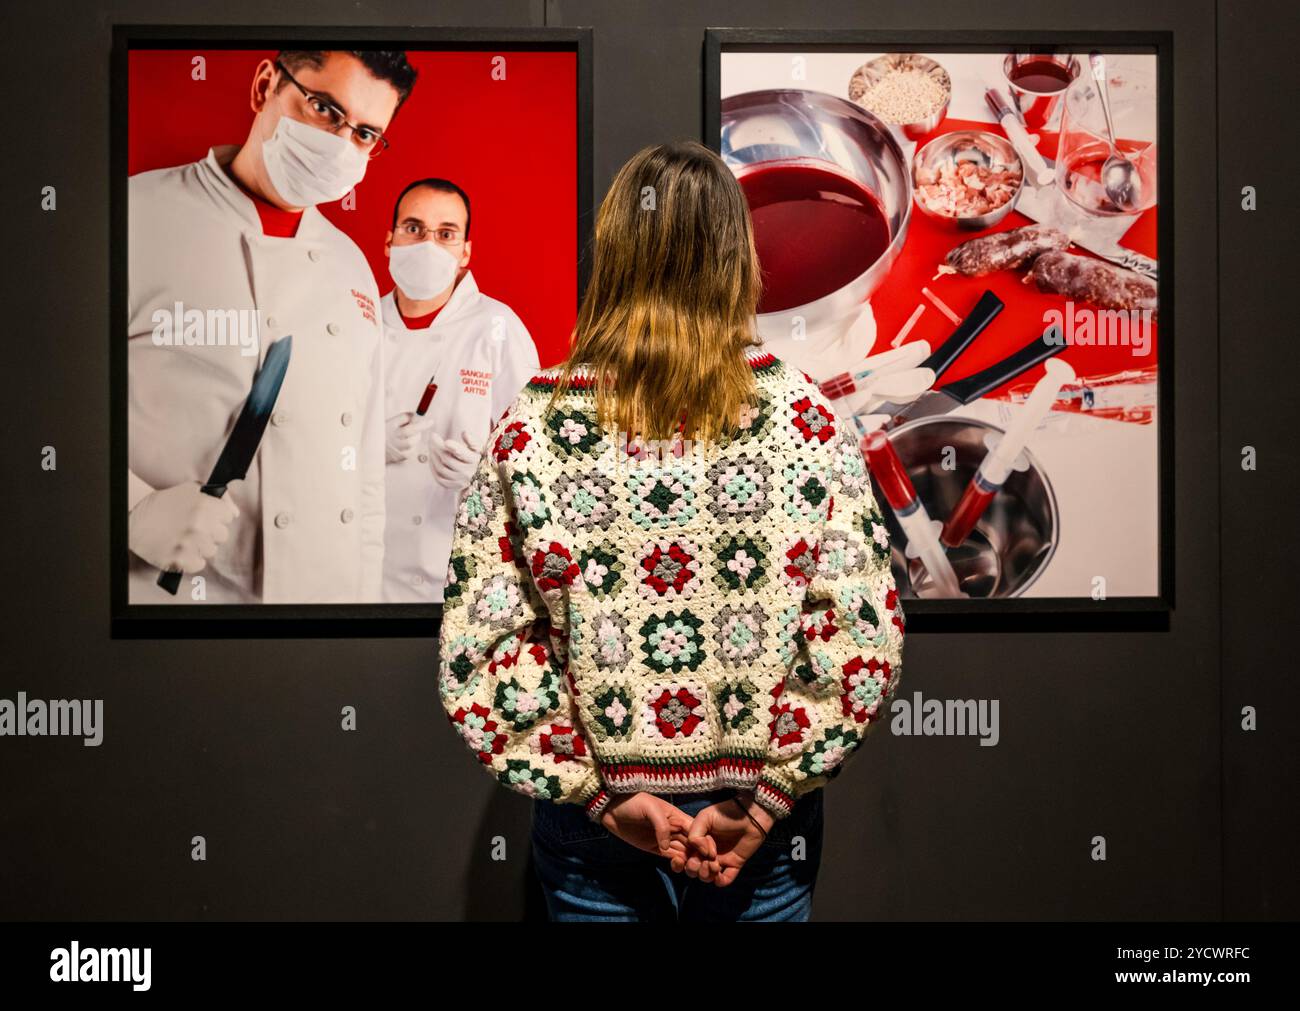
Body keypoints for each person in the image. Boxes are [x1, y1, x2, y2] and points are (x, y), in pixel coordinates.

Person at [435, 141, 905, 921]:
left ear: (614, 251)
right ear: (739, 257)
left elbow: (481, 645)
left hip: (599, 834)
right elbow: (861, 638)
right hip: (759, 835)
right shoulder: (804, 419)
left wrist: (602, 796)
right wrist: (760, 805)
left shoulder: (534, 426)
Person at [127, 50, 418, 603]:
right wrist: (134, 511)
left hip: (324, 612)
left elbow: (364, 476)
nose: (339, 143)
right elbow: (38, 413)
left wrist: (363, 613)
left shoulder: (352, 264)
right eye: (325, 109)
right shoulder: (133, 215)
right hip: (177, 607)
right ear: (265, 84)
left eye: (364, 133)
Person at [378, 178, 539, 603]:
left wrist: (483, 475)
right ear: (389, 241)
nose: (428, 244)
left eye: (446, 234)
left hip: (462, 580)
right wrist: (365, 446)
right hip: (367, 575)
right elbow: (314, 443)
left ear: (465, 252)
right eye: (413, 229)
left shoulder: (497, 328)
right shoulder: (359, 324)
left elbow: (539, 457)